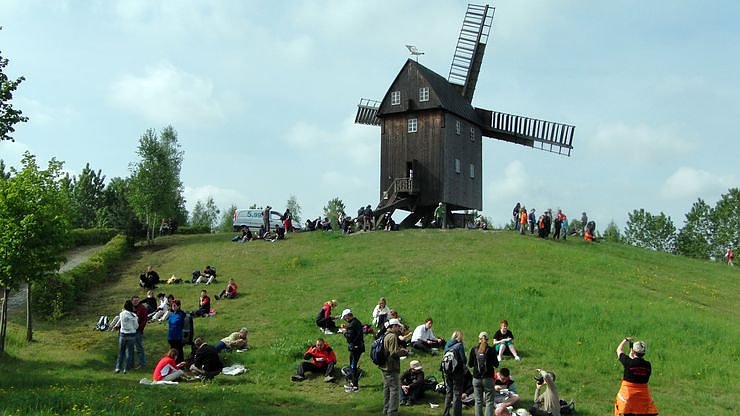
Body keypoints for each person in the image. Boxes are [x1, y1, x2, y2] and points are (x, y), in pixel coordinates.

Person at [614, 338, 658, 416]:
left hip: (628, 394)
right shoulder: (648, 365)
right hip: (643, 396)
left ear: (633, 351)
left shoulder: (628, 362)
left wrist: (625, 340)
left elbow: (619, 350)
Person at [379, 318, 408, 415]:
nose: (399, 328)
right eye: (398, 326)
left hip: (384, 366)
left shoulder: (385, 335)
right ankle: (392, 412)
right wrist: (404, 352)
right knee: (394, 390)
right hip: (391, 367)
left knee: (387, 389)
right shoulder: (392, 337)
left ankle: (386, 409)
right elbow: (393, 353)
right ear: (394, 326)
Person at [468, 331, 499, 416]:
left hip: (476, 378)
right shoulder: (491, 350)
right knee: (489, 401)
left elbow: (470, 364)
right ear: (487, 340)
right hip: (488, 378)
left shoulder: (474, 349)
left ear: (479, 339)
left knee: (478, 401)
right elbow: (496, 364)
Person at [339, 309, 364, 392]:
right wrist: (347, 328)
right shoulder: (356, 322)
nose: (345, 319)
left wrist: (344, 332)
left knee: (353, 366)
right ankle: (353, 382)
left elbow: (350, 338)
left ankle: (354, 385)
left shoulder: (352, 325)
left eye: (344, 317)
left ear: (347, 316)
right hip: (358, 347)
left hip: (355, 348)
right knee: (352, 365)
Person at [442, 330, 467, 416]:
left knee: (449, 393)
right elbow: (463, 359)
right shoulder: (459, 345)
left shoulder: (447, 345)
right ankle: (456, 414)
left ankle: (446, 413)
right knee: (457, 393)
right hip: (457, 372)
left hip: (448, 371)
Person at [114, 299, 139, 373]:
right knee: (129, 352)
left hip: (122, 334)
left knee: (121, 351)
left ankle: (118, 367)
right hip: (131, 334)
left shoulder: (121, 314)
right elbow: (136, 326)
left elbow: (119, 322)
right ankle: (126, 368)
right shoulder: (133, 315)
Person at [130, 295, 148, 370]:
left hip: (137, 331)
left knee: (139, 348)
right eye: (134, 301)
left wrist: (140, 328)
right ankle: (131, 364)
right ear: (132, 301)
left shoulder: (142, 308)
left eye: (137, 300)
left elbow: (144, 320)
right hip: (130, 331)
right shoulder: (129, 308)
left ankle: (142, 364)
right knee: (130, 348)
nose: (136, 302)